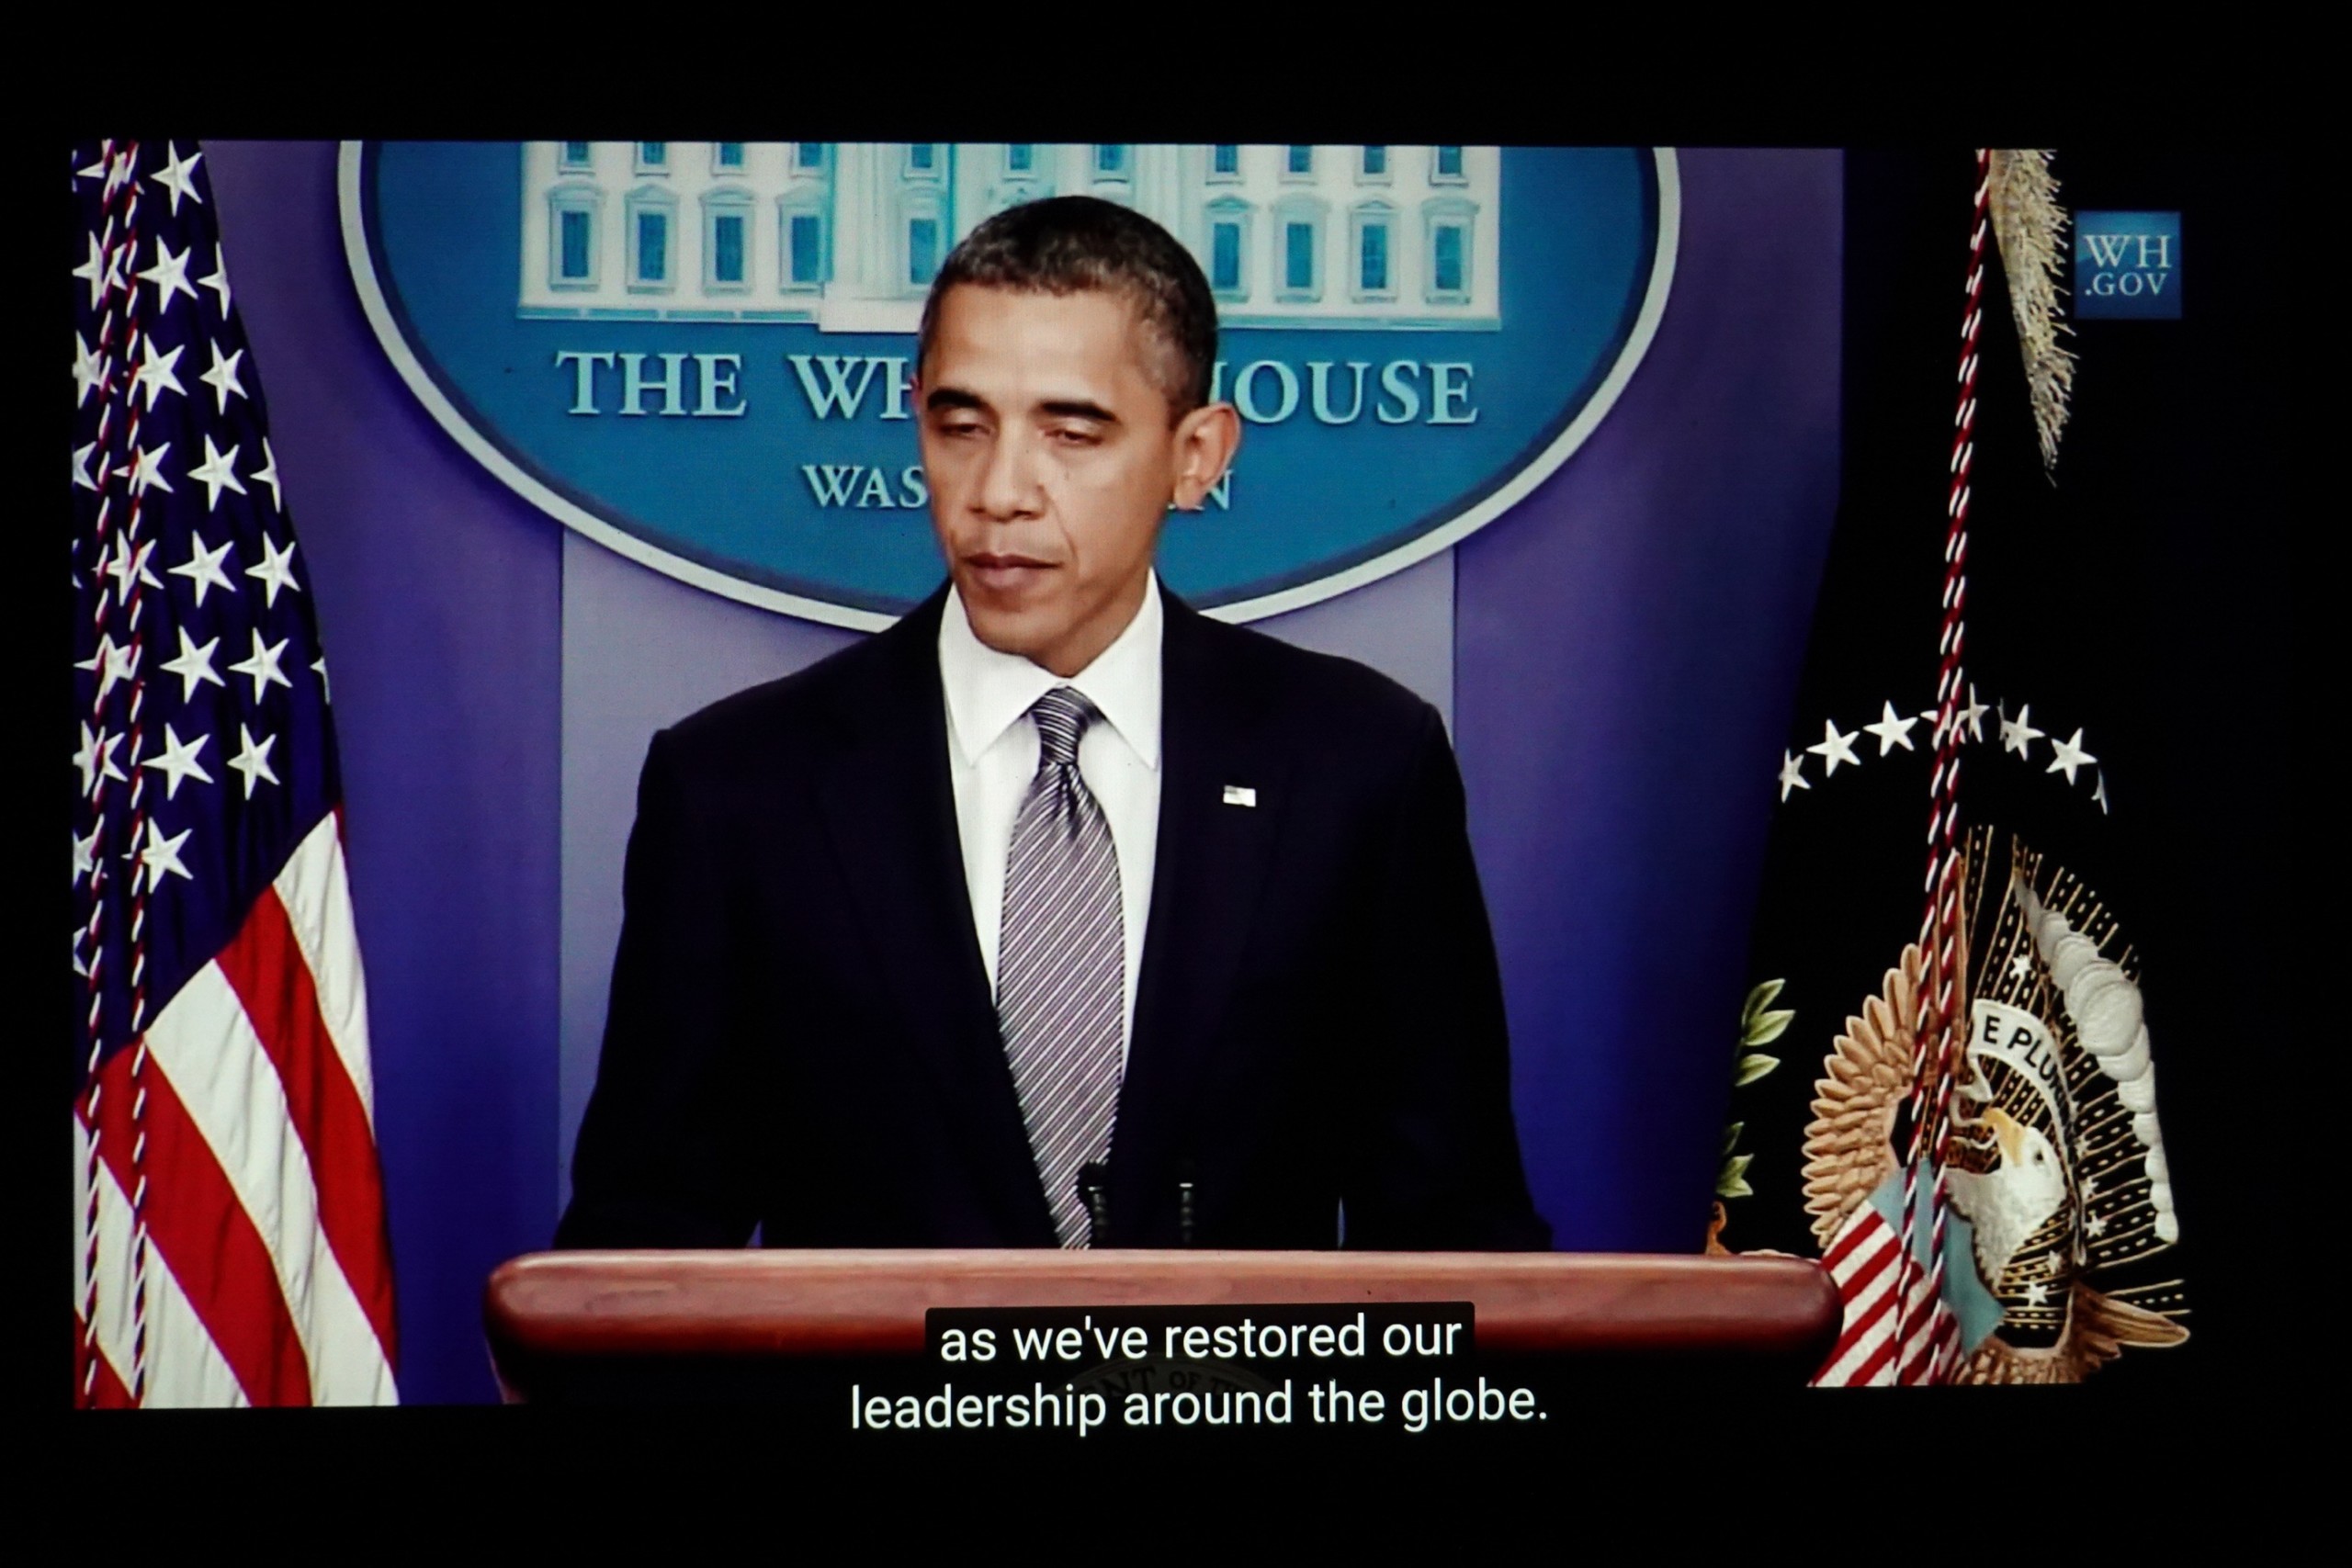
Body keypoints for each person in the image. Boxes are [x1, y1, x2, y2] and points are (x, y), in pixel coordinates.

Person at [556, 196, 1548, 1253]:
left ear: (1197, 454)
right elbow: (639, 1261)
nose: (999, 493)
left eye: (1070, 434)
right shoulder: (737, 788)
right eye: (960, 426)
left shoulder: (1358, 768)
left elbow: (1456, 1241)